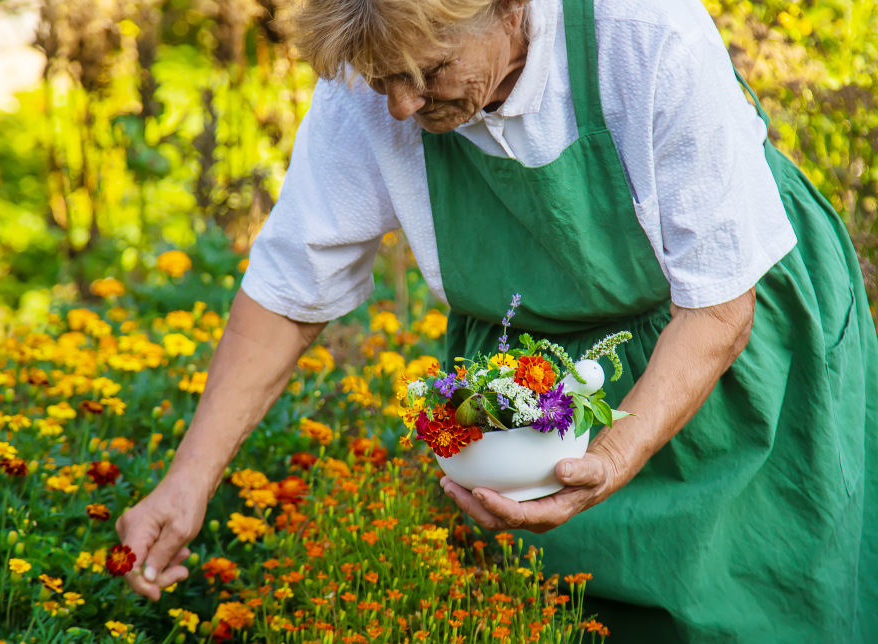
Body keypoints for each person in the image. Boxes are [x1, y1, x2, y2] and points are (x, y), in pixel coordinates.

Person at [115, 0, 878, 640]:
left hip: (733, 362)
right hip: (541, 394)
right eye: (385, 81)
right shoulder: (380, 69)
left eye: (428, 73)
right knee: (557, 615)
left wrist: (608, 455)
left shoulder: (641, 29)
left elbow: (716, 310)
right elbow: (289, 289)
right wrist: (188, 481)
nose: (403, 106)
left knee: (769, 601)